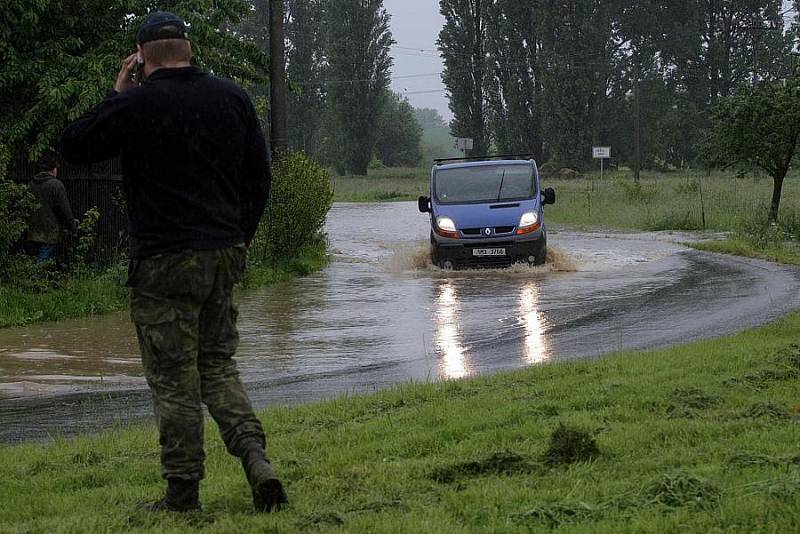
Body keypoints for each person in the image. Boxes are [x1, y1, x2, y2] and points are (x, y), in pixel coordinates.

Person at [59, 11, 287, 513]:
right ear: (190, 49)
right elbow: (260, 176)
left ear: (140, 58)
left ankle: (182, 494)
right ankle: (256, 459)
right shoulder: (231, 98)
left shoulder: (136, 104)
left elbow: (73, 144)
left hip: (162, 260)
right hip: (222, 252)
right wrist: (238, 238)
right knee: (218, 366)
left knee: (173, 379)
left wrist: (118, 94)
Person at [24, 150, 77, 262]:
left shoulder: (31, 185)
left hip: (32, 234)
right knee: (41, 270)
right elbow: (65, 210)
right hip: (50, 235)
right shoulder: (56, 185)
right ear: (54, 169)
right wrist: (72, 228)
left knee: (32, 267)